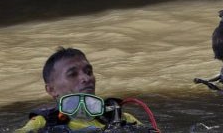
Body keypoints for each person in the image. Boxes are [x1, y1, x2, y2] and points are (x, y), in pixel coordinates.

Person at [15, 47, 144, 132]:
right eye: (72, 74)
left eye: (88, 71)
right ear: (51, 90)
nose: (86, 78)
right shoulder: (42, 123)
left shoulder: (121, 118)